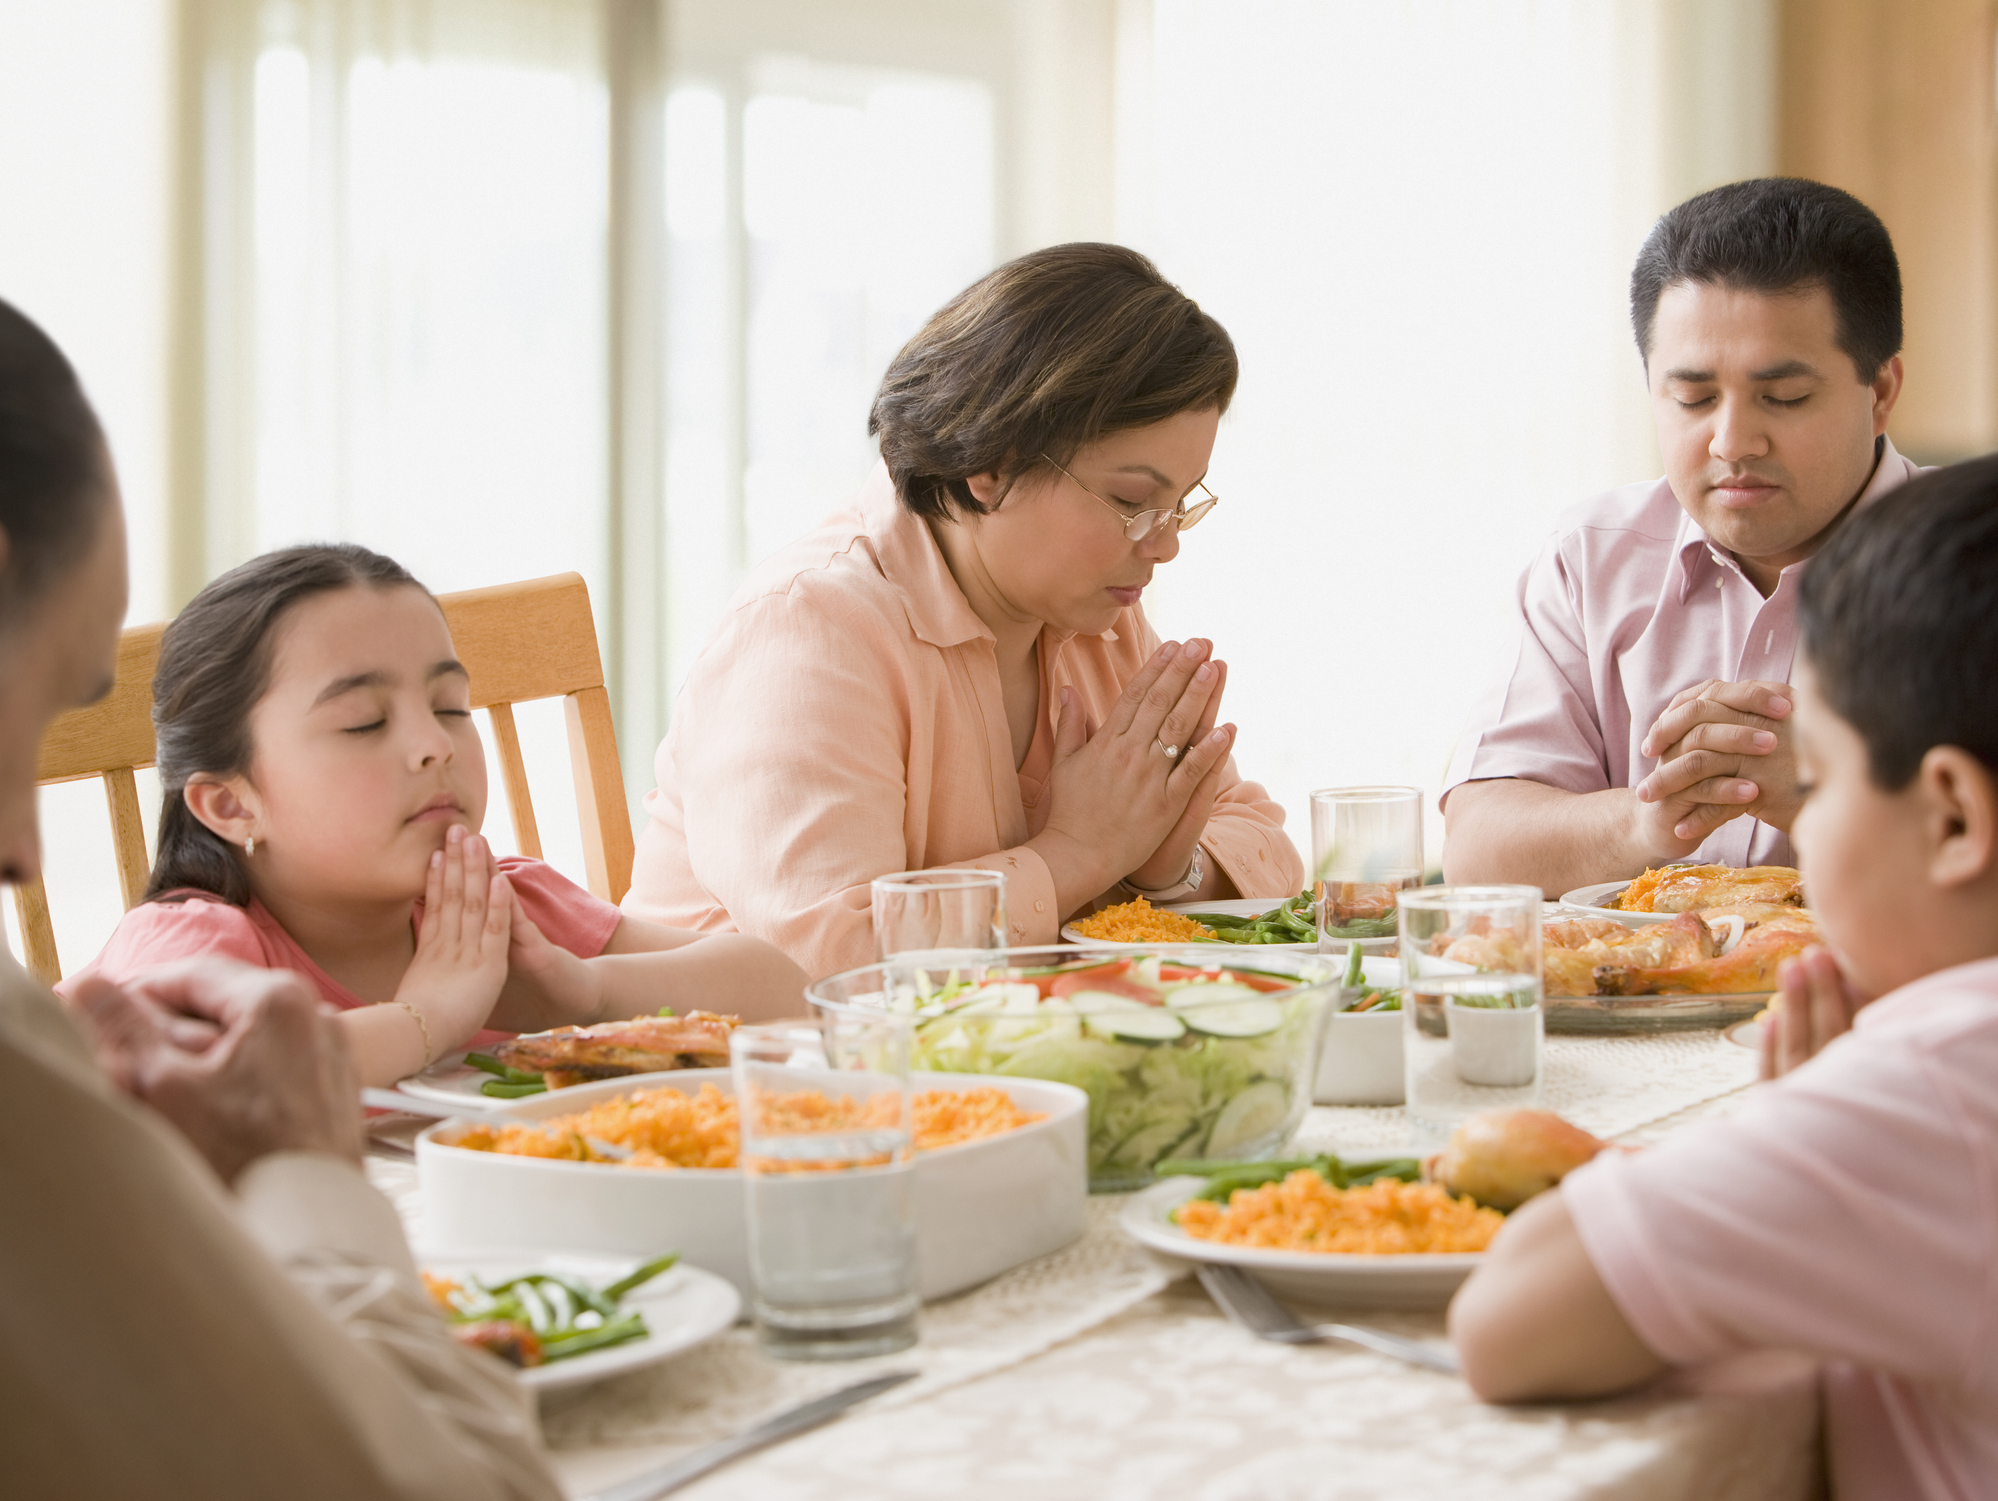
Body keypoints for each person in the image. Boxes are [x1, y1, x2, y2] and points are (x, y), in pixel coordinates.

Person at [0, 297, 563, 1496]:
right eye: (42, 706)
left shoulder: (482, 889)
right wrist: (299, 1160)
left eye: (449, 707)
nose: (20, 856)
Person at [1448, 456, 1998, 1500]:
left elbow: (1512, 1321)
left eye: (1820, 783)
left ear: (1954, 818)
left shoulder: (1942, 1080)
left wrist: (1807, 1131)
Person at [623, 244, 1303, 978]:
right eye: (1133, 502)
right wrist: (1080, 853)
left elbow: (1265, 845)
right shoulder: (809, 630)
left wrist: (1171, 870)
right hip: (736, 1074)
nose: (1164, 546)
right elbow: (835, 965)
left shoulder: (1094, 619)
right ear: (992, 465)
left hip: (995, 1070)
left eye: (1181, 504)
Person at [56, 543, 809, 1087]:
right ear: (230, 802)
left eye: (450, 706)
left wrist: (584, 991)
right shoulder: (191, 941)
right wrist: (429, 1017)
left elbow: (783, 988)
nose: (432, 744)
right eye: (362, 722)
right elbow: (195, 1084)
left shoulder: (490, 907)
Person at [1442, 178, 1928, 898]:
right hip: (1623, 996)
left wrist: (1831, 796)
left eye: (1784, 397)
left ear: (1882, 391)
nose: (1732, 441)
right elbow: (1478, 851)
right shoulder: (1591, 559)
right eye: (1694, 398)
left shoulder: (1972, 562)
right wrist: (1644, 823)